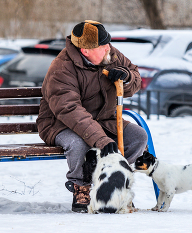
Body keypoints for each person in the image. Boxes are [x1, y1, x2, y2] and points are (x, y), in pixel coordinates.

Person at [36, 20, 148, 213]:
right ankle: (82, 186)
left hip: (103, 121)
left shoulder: (109, 54)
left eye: (108, 43)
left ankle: (111, 179)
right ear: (85, 51)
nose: (109, 48)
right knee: (78, 144)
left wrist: (127, 77)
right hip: (60, 124)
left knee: (138, 137)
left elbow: (135, 76)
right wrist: (101, 140)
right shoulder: (61, 69)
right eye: (102, 46)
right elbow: (70, 110)